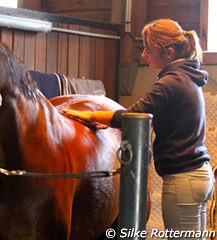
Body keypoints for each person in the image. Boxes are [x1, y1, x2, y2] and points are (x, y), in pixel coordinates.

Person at [63, 19, 215, 238]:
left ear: (169, 52)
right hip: (198, 175)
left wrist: (89, 114)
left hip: (184, 180)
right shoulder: (188, 76)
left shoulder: (171, 81)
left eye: (148, 49)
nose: (144, 55)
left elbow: (133, 115)